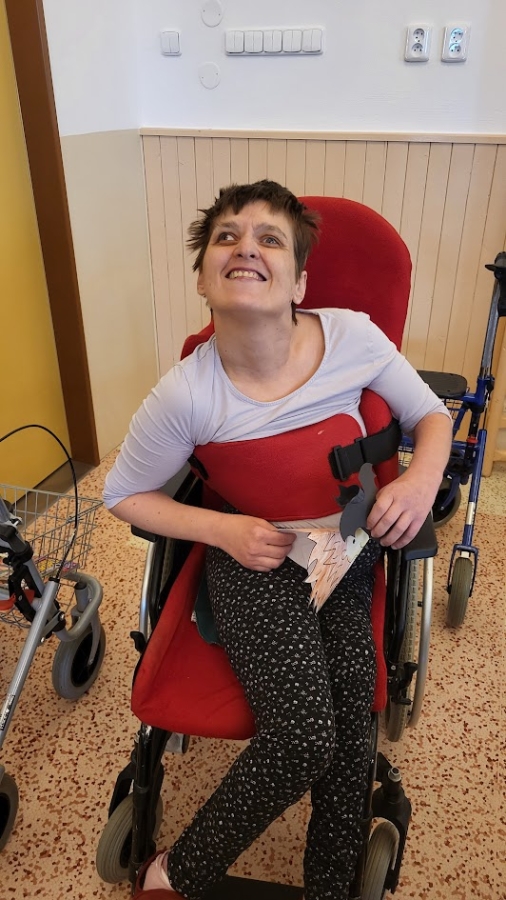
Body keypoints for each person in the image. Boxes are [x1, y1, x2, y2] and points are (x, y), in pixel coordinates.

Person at [103, 180, 452, 900]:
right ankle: (175, 873)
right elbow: (122, 494)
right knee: (303, 737)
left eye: (270, 239)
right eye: (226, 237)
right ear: (203, 279)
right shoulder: (186, 393)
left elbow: (432, 418)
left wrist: (419, 483)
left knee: (352, 720)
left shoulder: (353, 337)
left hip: (345, 548)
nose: (246, 248)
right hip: (253, 555)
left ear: (299, 283)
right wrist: (221, 528)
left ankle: (330, 885)